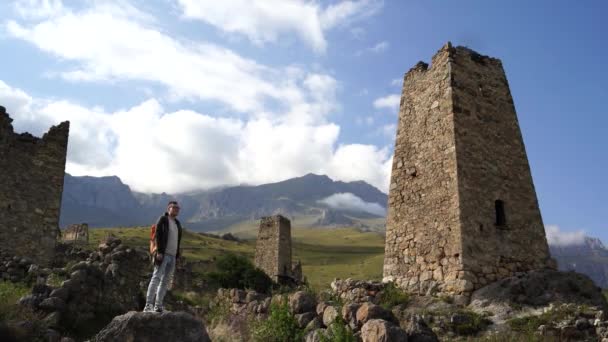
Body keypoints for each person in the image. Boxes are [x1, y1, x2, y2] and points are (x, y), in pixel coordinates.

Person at [143, 201, 183, 312]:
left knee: (165, 281)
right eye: (174, 208)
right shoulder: (163, 220)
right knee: (156, 278)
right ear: (168, 208)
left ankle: (158, 306)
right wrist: (159, 252)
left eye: (178, 208)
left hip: (172, 256)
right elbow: (158, 235)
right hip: (163, 254)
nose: (176, 210)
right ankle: (148, 305)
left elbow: (177, 241)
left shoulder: (177, 223)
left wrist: (177, 255)